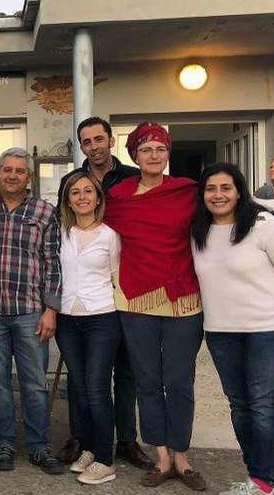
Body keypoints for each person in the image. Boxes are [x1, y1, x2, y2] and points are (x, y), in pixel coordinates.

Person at [191, 163, 274, 495]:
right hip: (222, 330)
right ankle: (258, 473)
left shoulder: (263, 224)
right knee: (240, 404)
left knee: (264, 403)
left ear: (239, 191)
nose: (218, 195)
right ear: (202, 195)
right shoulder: (198, 230)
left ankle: (264, 481)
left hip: (270, 328)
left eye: (225, 188)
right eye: (211, 188)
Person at [103, 122, 206, 491]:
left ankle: (182, 455)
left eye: (160, 149)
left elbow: (221, 220)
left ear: (168, 155)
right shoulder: (117, 197)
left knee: (179, 381)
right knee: (147, 380)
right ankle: (161, 456)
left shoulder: (187, 192)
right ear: (134, 155)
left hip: (183, 295)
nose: (154, 155)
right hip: (137, 298)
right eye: (146, 149)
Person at [56, 116, 153, 470]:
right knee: (82, 380)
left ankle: (125, 441)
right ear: (81, 146)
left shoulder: (131, 178)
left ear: (111, 140)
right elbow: (60, 244)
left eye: (99, 139)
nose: (94, 146)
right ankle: (84, 441)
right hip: (74, 308)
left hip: (114, 301)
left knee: (123, 375)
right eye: (87, 141)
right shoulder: (71, 181)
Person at [0, 148, 63, 475]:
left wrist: (51, 310)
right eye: (7, 169)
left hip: (31, 311)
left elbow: (53, 264)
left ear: (29, 177)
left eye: (19, 170)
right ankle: (3, 443)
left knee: (34, 383)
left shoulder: (45, 212)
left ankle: (39, 446)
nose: (13, 175)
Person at [55, 171, 122, 485]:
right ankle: (89, 449)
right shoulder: (60, 233)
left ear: (98, 197)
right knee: (79, 388)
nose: (81, 197)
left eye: (87, 191)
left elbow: (117, 278)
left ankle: (106, 459)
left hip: (102, 318)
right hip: (68, 320)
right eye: (75, 192)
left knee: (96, 388)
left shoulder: (110, 235)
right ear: (68, 200)